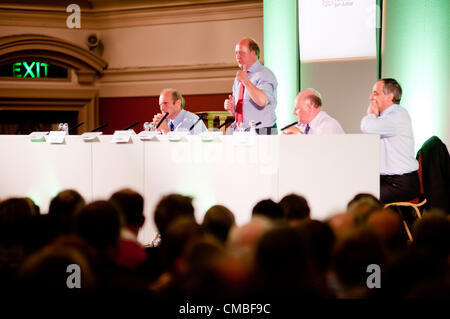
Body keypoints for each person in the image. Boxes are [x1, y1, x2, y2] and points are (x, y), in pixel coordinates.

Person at [360, 78, 419, 203]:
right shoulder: (387, 117)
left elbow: (367, 127)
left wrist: (370, 114)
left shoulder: (396, 116)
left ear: (389, 97)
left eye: (375, 93)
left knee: (363, 201)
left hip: (400, 184)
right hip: (388, 179)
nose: (371, 97)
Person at [224, 37, 278, 134]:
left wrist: (246, 81)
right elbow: (242, 111)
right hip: (242, 131)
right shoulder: (239, 77)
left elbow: (262, 101)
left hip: (263, 131)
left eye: (241, 53)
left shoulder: (265, 74)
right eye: (236, 53)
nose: (237, 56)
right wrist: (232, 108)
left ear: (253, 53)